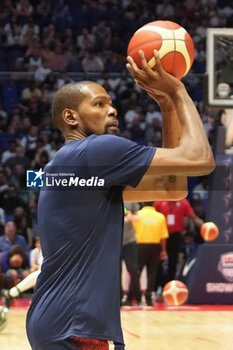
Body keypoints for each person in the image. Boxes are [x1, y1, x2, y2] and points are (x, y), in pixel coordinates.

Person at [26, 50, 215, 350]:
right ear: (71, 117)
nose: (112, 110)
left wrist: (165, 106)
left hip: (58, 321)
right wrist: (178, 90)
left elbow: (172, 187)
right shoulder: (95, 150)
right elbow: (200, 160)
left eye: (111, 103)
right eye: (99, 104)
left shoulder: (68, 166)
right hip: (77, 325)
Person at [154, 199, 204, 282]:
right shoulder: (159, 202)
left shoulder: (183, 202)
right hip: (160, 236)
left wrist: (205, 226)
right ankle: (156, 288)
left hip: (175, 236)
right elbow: (152, 216)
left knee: (173, 262)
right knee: (158, 261)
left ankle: (171, 285)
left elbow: (194, 218)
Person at [132, 203, 168, 306]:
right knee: (152, 273)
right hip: (155, 247)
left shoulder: (138, 215)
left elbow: (132, 230)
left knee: (136, 272)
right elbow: (163, 236)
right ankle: (148, 298)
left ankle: (134, 297)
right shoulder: (160, 217)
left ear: (142, 203)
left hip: (140, 246)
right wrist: (163, 250)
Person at [121, 203, 141, 307]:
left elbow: (137, 218)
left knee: (133, 269)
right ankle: (118, 298)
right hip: (115, 241)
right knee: (114, 271)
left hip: (130, 241)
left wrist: (129, 216)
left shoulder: (132, 200)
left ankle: (135, 297)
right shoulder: (110, 196)